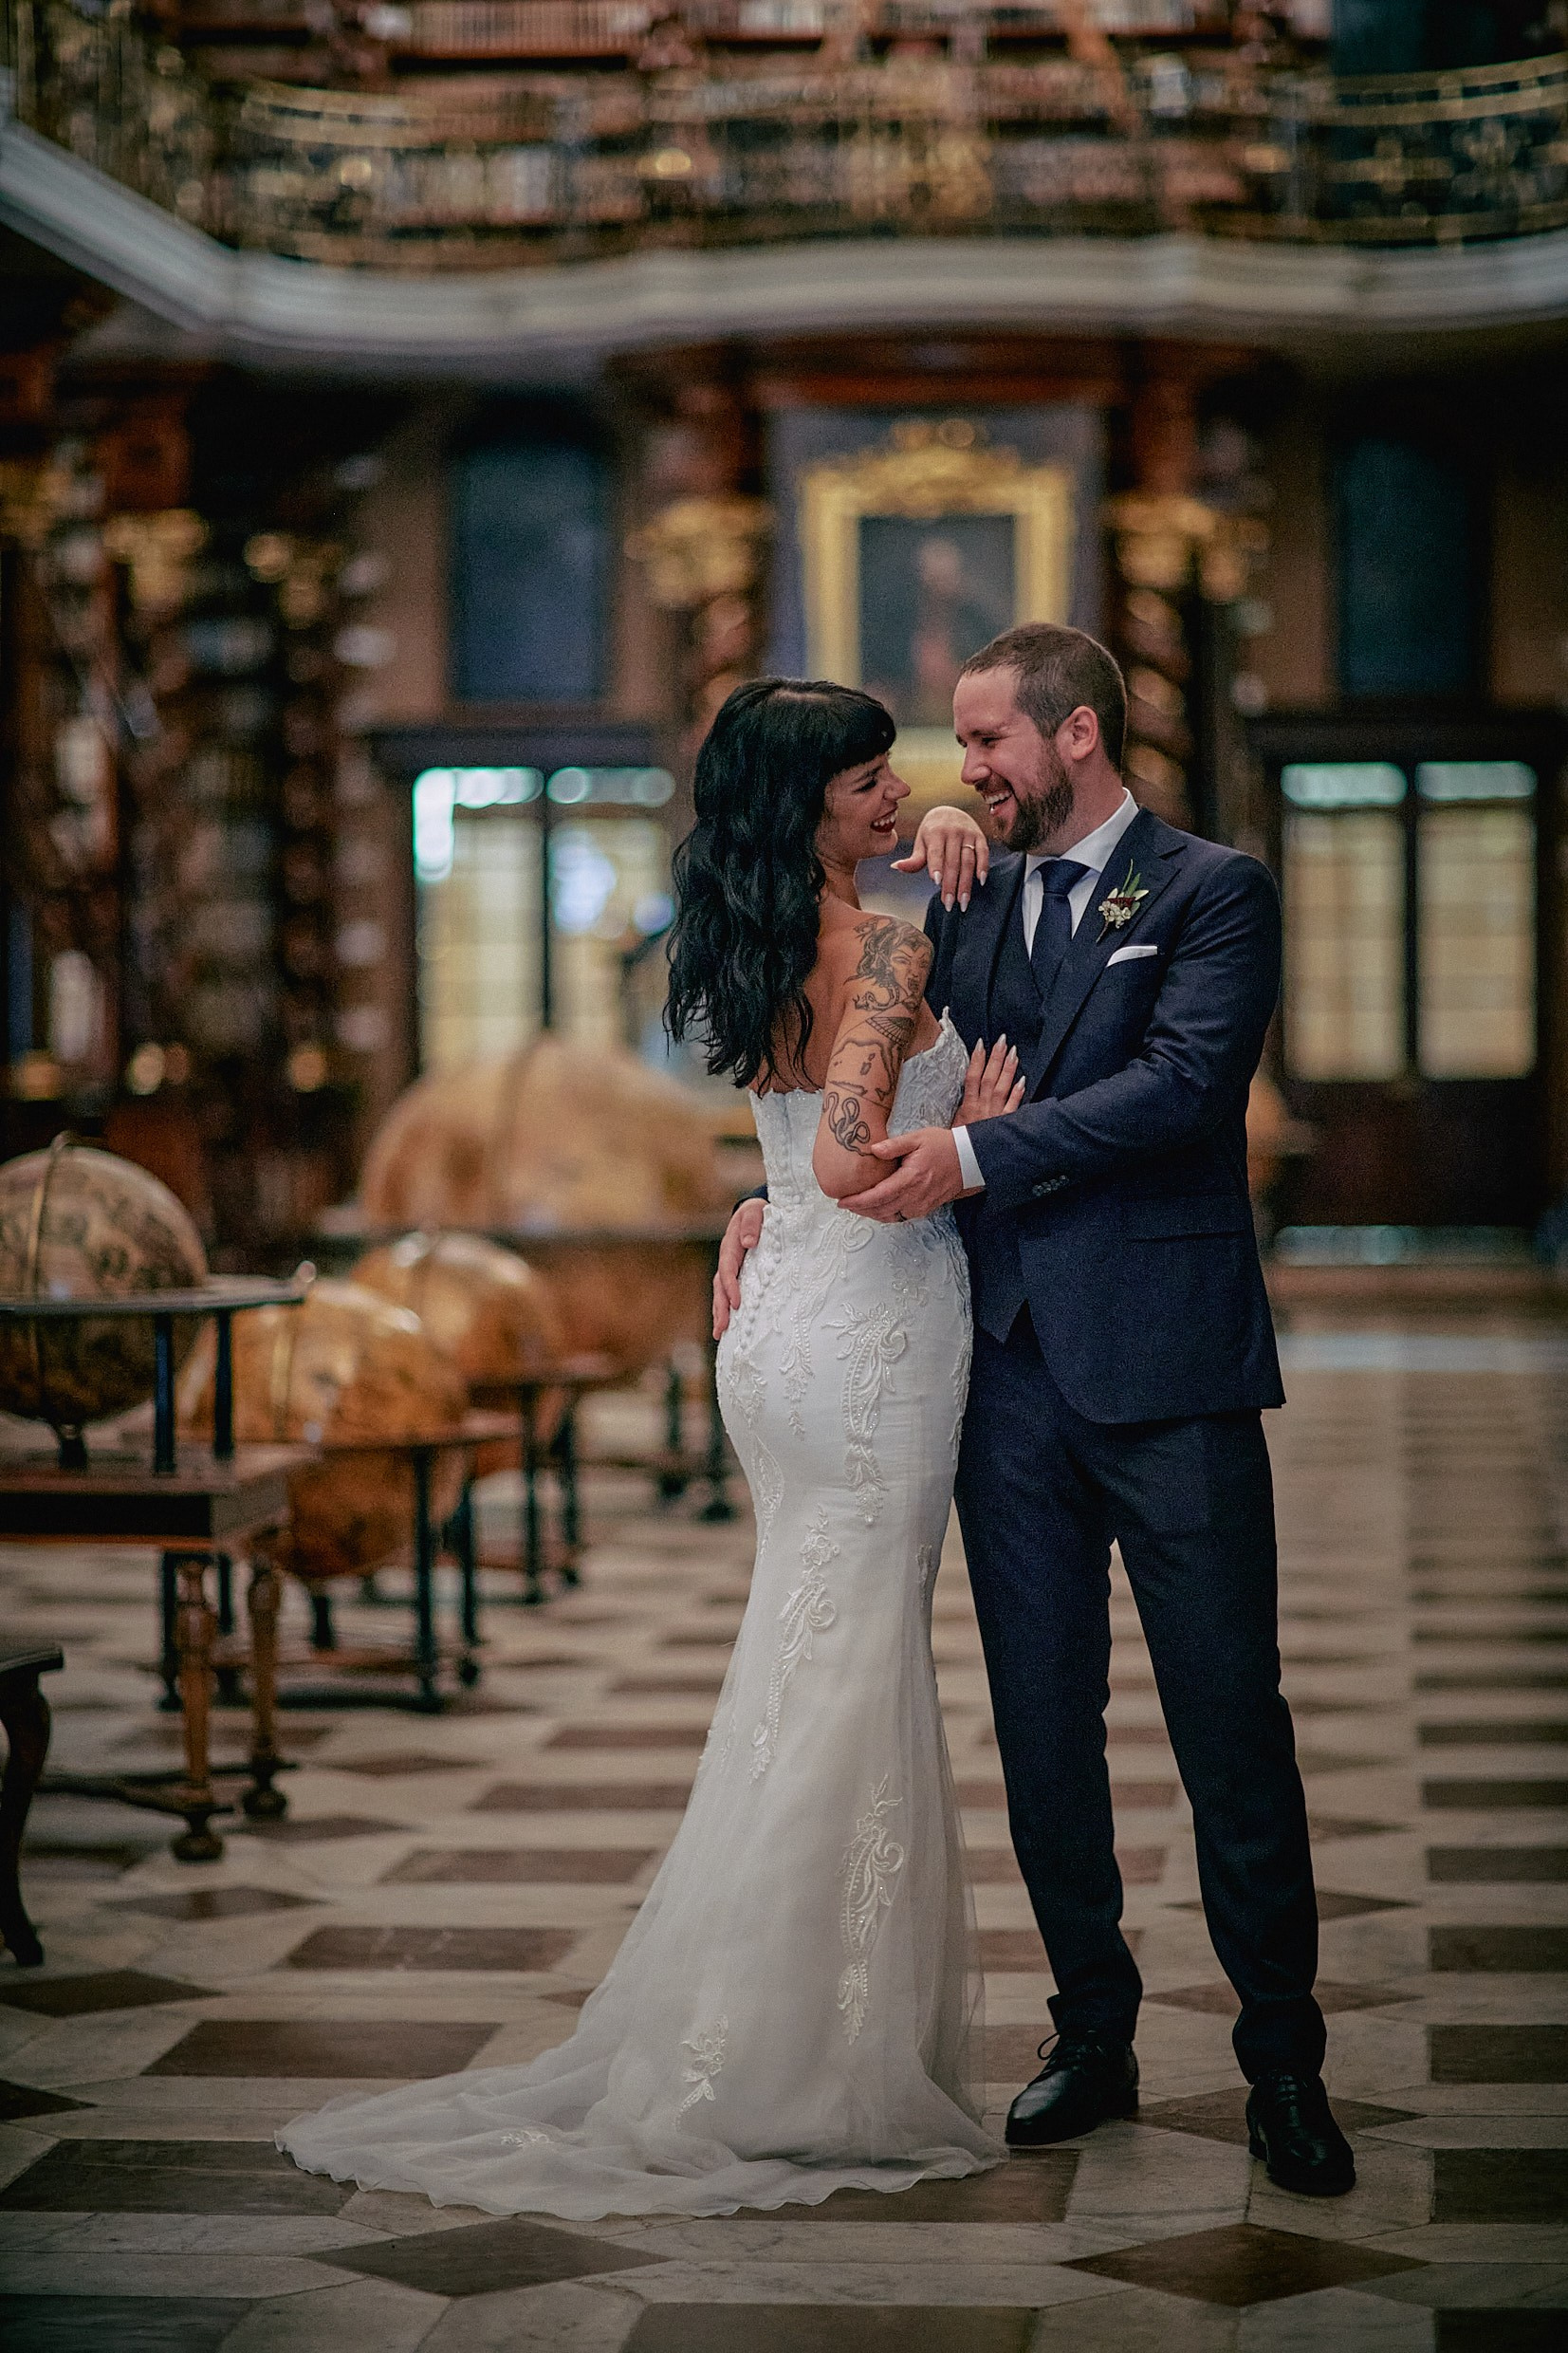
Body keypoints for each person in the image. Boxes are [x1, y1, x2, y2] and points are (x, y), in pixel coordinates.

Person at [278, 676, 1023, 2219]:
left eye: (900, 774)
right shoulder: (884, 945)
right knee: (846, 1670)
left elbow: (780, 1159)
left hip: (780, 1331)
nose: (897, 795)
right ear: (806, 799)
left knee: (807, 1668)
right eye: (871, 779)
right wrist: (984, 1133)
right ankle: (803, 2060)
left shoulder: (742, 941)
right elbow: (843, 1152)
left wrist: (776, 1202)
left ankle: (761, 2027)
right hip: (872, 1336)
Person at [716, 622, 1356, 2199]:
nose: (963, 769)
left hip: (1170, 1368)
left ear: (1074, 736)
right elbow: (852, 1076)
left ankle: (1283, 2061)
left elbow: (1185, 1089)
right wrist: (772, 1200)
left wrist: (977, 1160)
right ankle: (1092, 2028)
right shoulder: (965, 900)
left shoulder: (1209, 892)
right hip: (998, 1373)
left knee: (1227, 1723)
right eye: (950, 746)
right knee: (1041, 1727)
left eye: (986, 742)